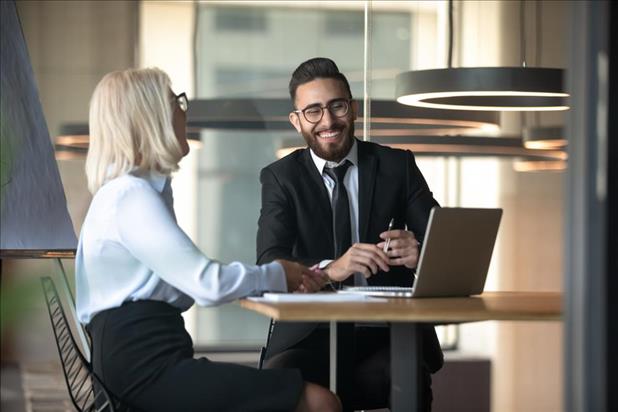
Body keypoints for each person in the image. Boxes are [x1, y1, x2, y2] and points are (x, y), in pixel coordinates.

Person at [76, 67, 341, 412]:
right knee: (320, 402)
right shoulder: (131, 197)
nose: (184, 111)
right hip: (146, 370)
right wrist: (278, 274)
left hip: (136, 362)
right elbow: (207, 285)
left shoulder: (131, 194)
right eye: (177, 102)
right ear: (152, 116)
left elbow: (188, 287)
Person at [256, 57, 444, 411]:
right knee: (280, 385)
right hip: (309, 335)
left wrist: (422, 251)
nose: (328, 121)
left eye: (336, 106)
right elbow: (269, 261)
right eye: (313, 111)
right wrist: (331, 269)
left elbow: (445, 243)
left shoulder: (397, 165)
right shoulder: (281, 178)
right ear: (296, 121)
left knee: (407, 374)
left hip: (387, 332)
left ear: (352, 108)